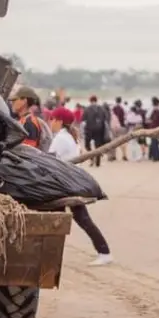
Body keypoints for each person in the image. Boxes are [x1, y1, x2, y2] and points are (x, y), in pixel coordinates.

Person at [47, 106, 112, 266]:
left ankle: (104, 252)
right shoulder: (68, 136)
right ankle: (103, 252)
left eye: (52, 119)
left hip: (65, 185)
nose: (50, 122)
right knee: (74, 218)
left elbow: (49, 160)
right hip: (69, 183)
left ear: (59, 121)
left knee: (78, 218)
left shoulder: (61, 138)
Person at [9, 86, 50, 150]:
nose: (12, 103)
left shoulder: (30, 123)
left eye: (15, 100)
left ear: (24, 101)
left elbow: (28, 151)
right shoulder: (24, 120)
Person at [81, 96, 109, 167]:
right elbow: (106, 120)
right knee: (98, 146)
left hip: (89, 130)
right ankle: (98, 162)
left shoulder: (87, 109)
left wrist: (82, 132)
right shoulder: (102, 109)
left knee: (87, 145)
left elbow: (83, 121)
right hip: (99, 130)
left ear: (90, 101)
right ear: (96, 100)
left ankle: (91, 157)